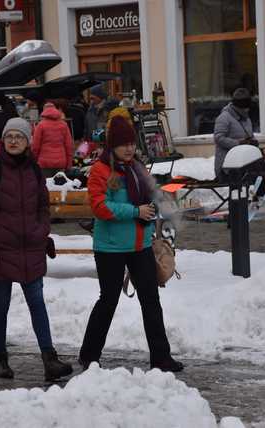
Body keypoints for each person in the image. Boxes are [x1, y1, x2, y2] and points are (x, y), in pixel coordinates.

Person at [78, 115, 184, 373]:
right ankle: (89, 355)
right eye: (123, 144)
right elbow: (100, 207)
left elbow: (153, 195)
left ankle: (161, 357)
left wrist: (165, 208)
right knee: (108, 300)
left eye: (132, 144)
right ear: (112, 145)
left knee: (151, 300)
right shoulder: (101, 171)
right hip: (110, 248)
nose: (129, 148)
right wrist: (135, 211)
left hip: (139, 246)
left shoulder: (138, 168)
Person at [0, 118, 73, 381]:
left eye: (19, 136)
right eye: (9, 136)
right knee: (1, 304)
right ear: (3, 140)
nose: (13, 141)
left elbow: (42, 206)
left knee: (37, 303)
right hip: (0, 250)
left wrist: (42, 231)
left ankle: (50, 360)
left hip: (31, 249)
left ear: (28, 141)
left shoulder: (35, 171)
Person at [213, 88, 257, 182]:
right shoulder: (224, 117)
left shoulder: (246, 118)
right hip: (227, 166)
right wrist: (238, 143)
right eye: (245, 107)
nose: (247, 109)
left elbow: (250, 135)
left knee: (261, 178)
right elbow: (218, 138)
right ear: (238, 106)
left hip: (245, 163)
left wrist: (253, 142)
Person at [31, 103, 74, 177]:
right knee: (60, 187)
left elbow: (35, 146)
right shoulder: (64, 125)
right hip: (61, 163)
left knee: (45, 186)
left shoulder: (41, 125)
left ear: (44, 111)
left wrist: (34, 160)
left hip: (44, 164)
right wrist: (69, 163)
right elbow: (69, 146)